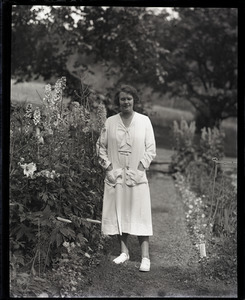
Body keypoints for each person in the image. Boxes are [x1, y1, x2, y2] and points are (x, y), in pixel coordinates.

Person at [96, 85, 156, 272]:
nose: (126, 102)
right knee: (119, 211)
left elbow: (151, 148)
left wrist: (139, 170)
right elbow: (100, 146)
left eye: (129, 98)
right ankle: (124, 252)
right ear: (118, 102)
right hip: (117, 176)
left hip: (136, 177)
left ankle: (145, 257)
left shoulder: (144, 121)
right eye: (122, 99)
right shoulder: (110, 122)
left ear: (134, 100)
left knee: (140, 213)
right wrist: (109, 168)